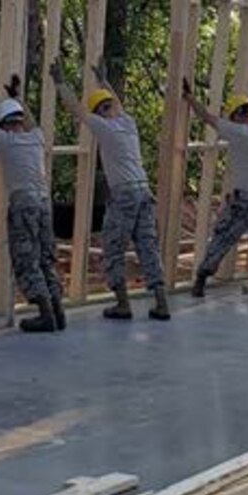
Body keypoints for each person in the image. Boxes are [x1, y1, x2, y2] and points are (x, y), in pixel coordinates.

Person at [57, 70, 170, 321]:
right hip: (143, 192)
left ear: (98, 110)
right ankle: (161, 303)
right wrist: (103, 81)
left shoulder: (103, 126)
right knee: (148, 247)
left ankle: (122, 304)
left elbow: (75, 108)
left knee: (113, 248)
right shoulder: (128, 123)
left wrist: (60, 82)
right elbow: (116, 101)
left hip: (125, 194)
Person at [0, 72, 63, 333]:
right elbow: (30, 121)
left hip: (24, 204)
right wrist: (18, 97)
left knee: (26, 259)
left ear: (5, 124)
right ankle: (58, 312)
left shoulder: (6, 141)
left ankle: (45, 315)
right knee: (46, 258)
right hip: (45, 203)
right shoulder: (36, 138)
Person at [183, 81, 248, 303]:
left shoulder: (237, 131)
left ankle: (201, 280)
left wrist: (190, 97)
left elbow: (207, 118)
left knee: (222, 239)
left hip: (244, 201)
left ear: (236, 115)